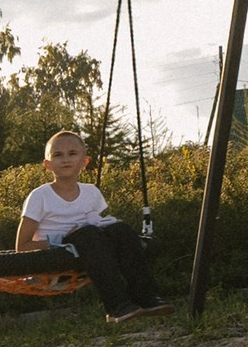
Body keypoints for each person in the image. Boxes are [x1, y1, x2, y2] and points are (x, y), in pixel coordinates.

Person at [17, 129, 170, 322]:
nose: (66, 160)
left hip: (91, 252)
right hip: (57, 258)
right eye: (58, 155)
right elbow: (22, 246)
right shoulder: (40, 196)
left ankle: (147, 297)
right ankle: (117, 306)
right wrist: (61, 239)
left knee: (121, 229)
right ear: (47, 164)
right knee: (88, 233)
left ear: (85, 161)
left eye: (72, 153)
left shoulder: (91, 192)